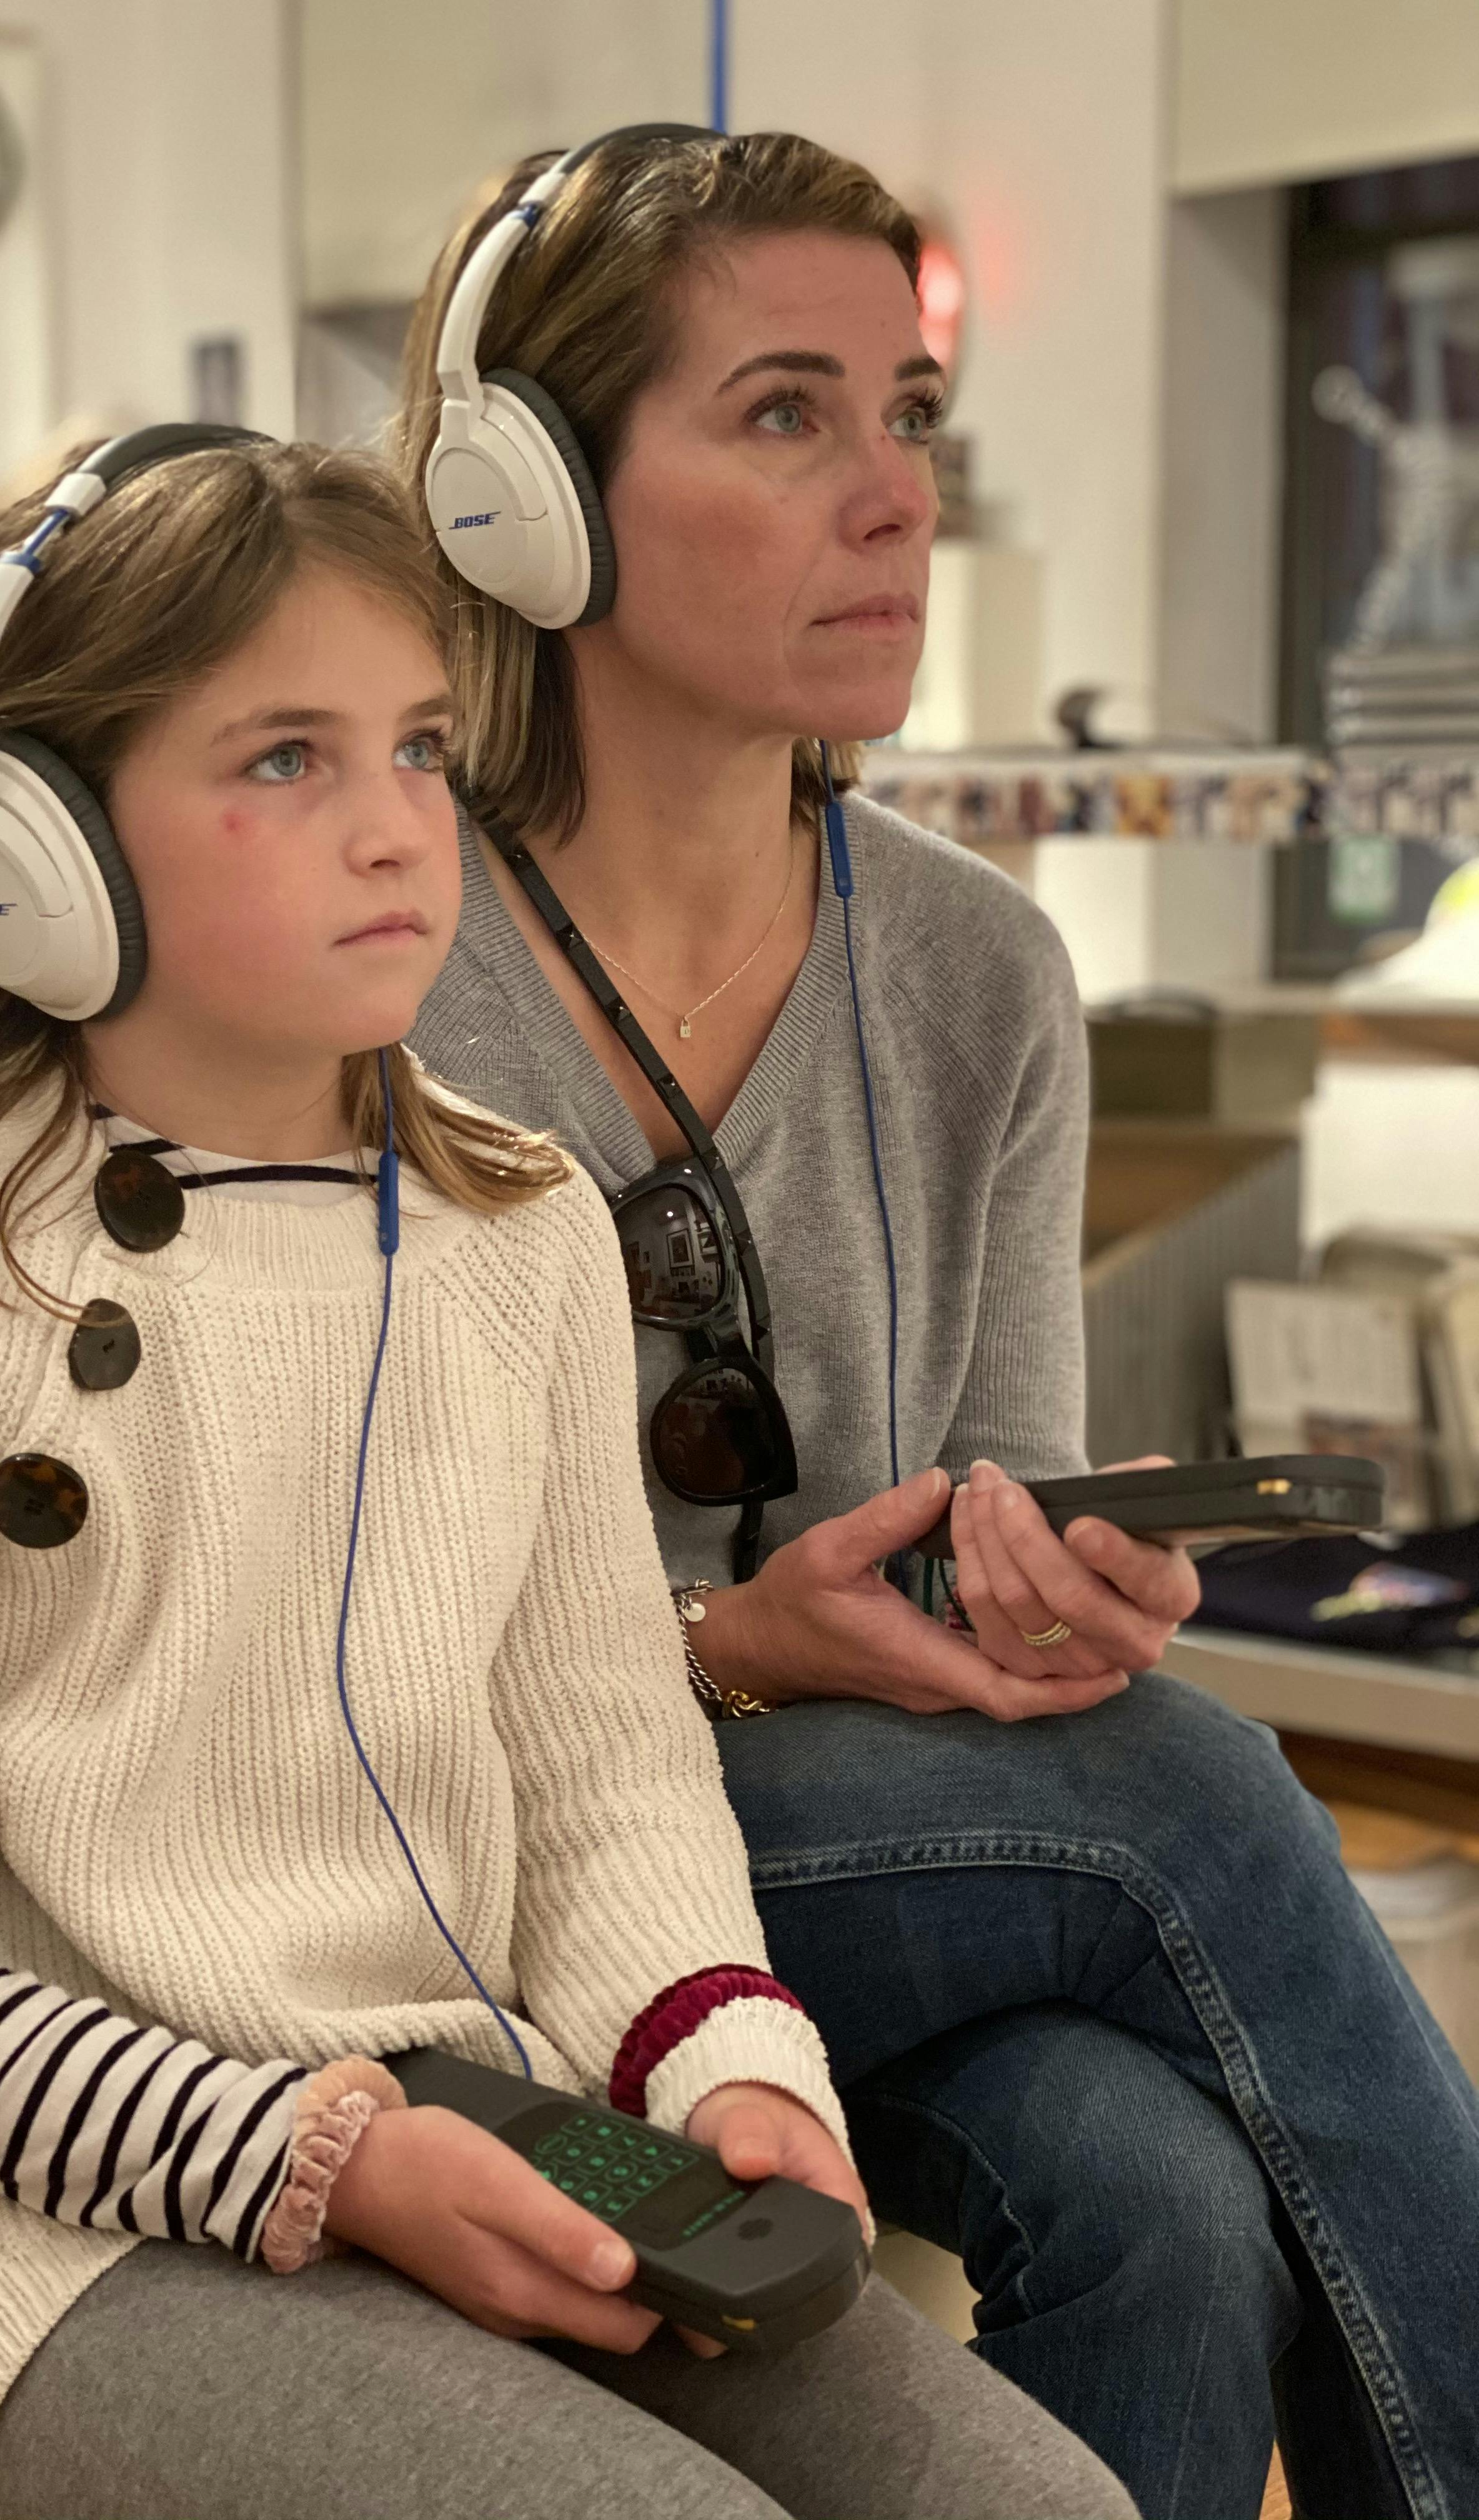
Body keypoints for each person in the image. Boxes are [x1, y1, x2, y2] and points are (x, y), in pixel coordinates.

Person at [0, 431, 1134, 2520]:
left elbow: (605, 1769)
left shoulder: (523, 1230)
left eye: (419, 748)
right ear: (31, 846)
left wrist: (731, 2060)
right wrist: (319, 2160)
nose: (398, 826)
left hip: (467, 2117)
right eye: (283, 760)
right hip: (38, 2241)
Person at [399, 128, 1479, 2520]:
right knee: (1198, 1796)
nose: (896, 496)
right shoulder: (372, 954)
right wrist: (729, 1646)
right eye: (786, 413)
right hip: (486, 1860)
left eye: (908, 412)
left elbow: (994, 1504)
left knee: (1162, 2205)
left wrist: (1053, 1595)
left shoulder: (980, 967)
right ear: (526, 500)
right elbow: (316, 1650)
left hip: (858, 1862)